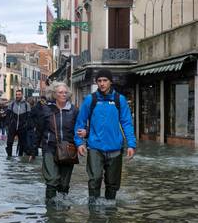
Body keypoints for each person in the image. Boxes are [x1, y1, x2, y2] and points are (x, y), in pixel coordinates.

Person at [74, 69, 136, 205]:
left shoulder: (120, 100)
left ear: (110, 82)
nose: (102, 83)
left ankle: (110, 211)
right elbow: (80, 123)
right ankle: (93, 210)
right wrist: (79, 143)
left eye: (105, 80)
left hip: (115, 148)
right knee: (94, 179)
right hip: (95, 148)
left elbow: (127, 123)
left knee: (112, 184)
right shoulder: (91, 100)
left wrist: (131, 145)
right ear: (96, 82)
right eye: (99, 81)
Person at [36, 82, 82, 204]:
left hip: (69, 149)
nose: (63, 95)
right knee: (51, 180)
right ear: (54, 94)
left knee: (64, 184)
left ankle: (62, 212)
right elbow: (39, 129)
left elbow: (80, 128)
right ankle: (50, 209)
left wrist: (83, 138)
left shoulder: (74, 110)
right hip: (50, 148)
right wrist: (33, 149)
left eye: (65, 92)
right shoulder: (46, 110)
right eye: (60, 92)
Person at [6, 89, 30, 157]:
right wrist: (8, 124)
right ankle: (9, 156)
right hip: (12, 126)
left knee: (22, 144)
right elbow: (8, 115)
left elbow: (29, 117)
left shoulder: (26, 105)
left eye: (19, 94)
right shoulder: (12, 104)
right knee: (9, 142)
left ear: (22, 95)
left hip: (22, 127)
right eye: (16, 94)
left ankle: (20, 156)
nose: (17, 96)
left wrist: (26, 125)